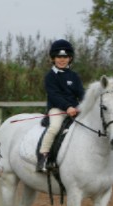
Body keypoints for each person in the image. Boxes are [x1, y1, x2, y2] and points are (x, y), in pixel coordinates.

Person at [36, 39, 85, 172]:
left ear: (70, 58)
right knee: (54, 128)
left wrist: (83, 106)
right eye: (58, 57)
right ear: (53, 58)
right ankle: (43, 157)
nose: (61, 60)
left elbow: (81, 93)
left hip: (74, 109)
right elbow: (54, 95)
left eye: (65, 57)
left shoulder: (74, 76)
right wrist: (68, 107)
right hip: (57, 108)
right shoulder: (50, 76)